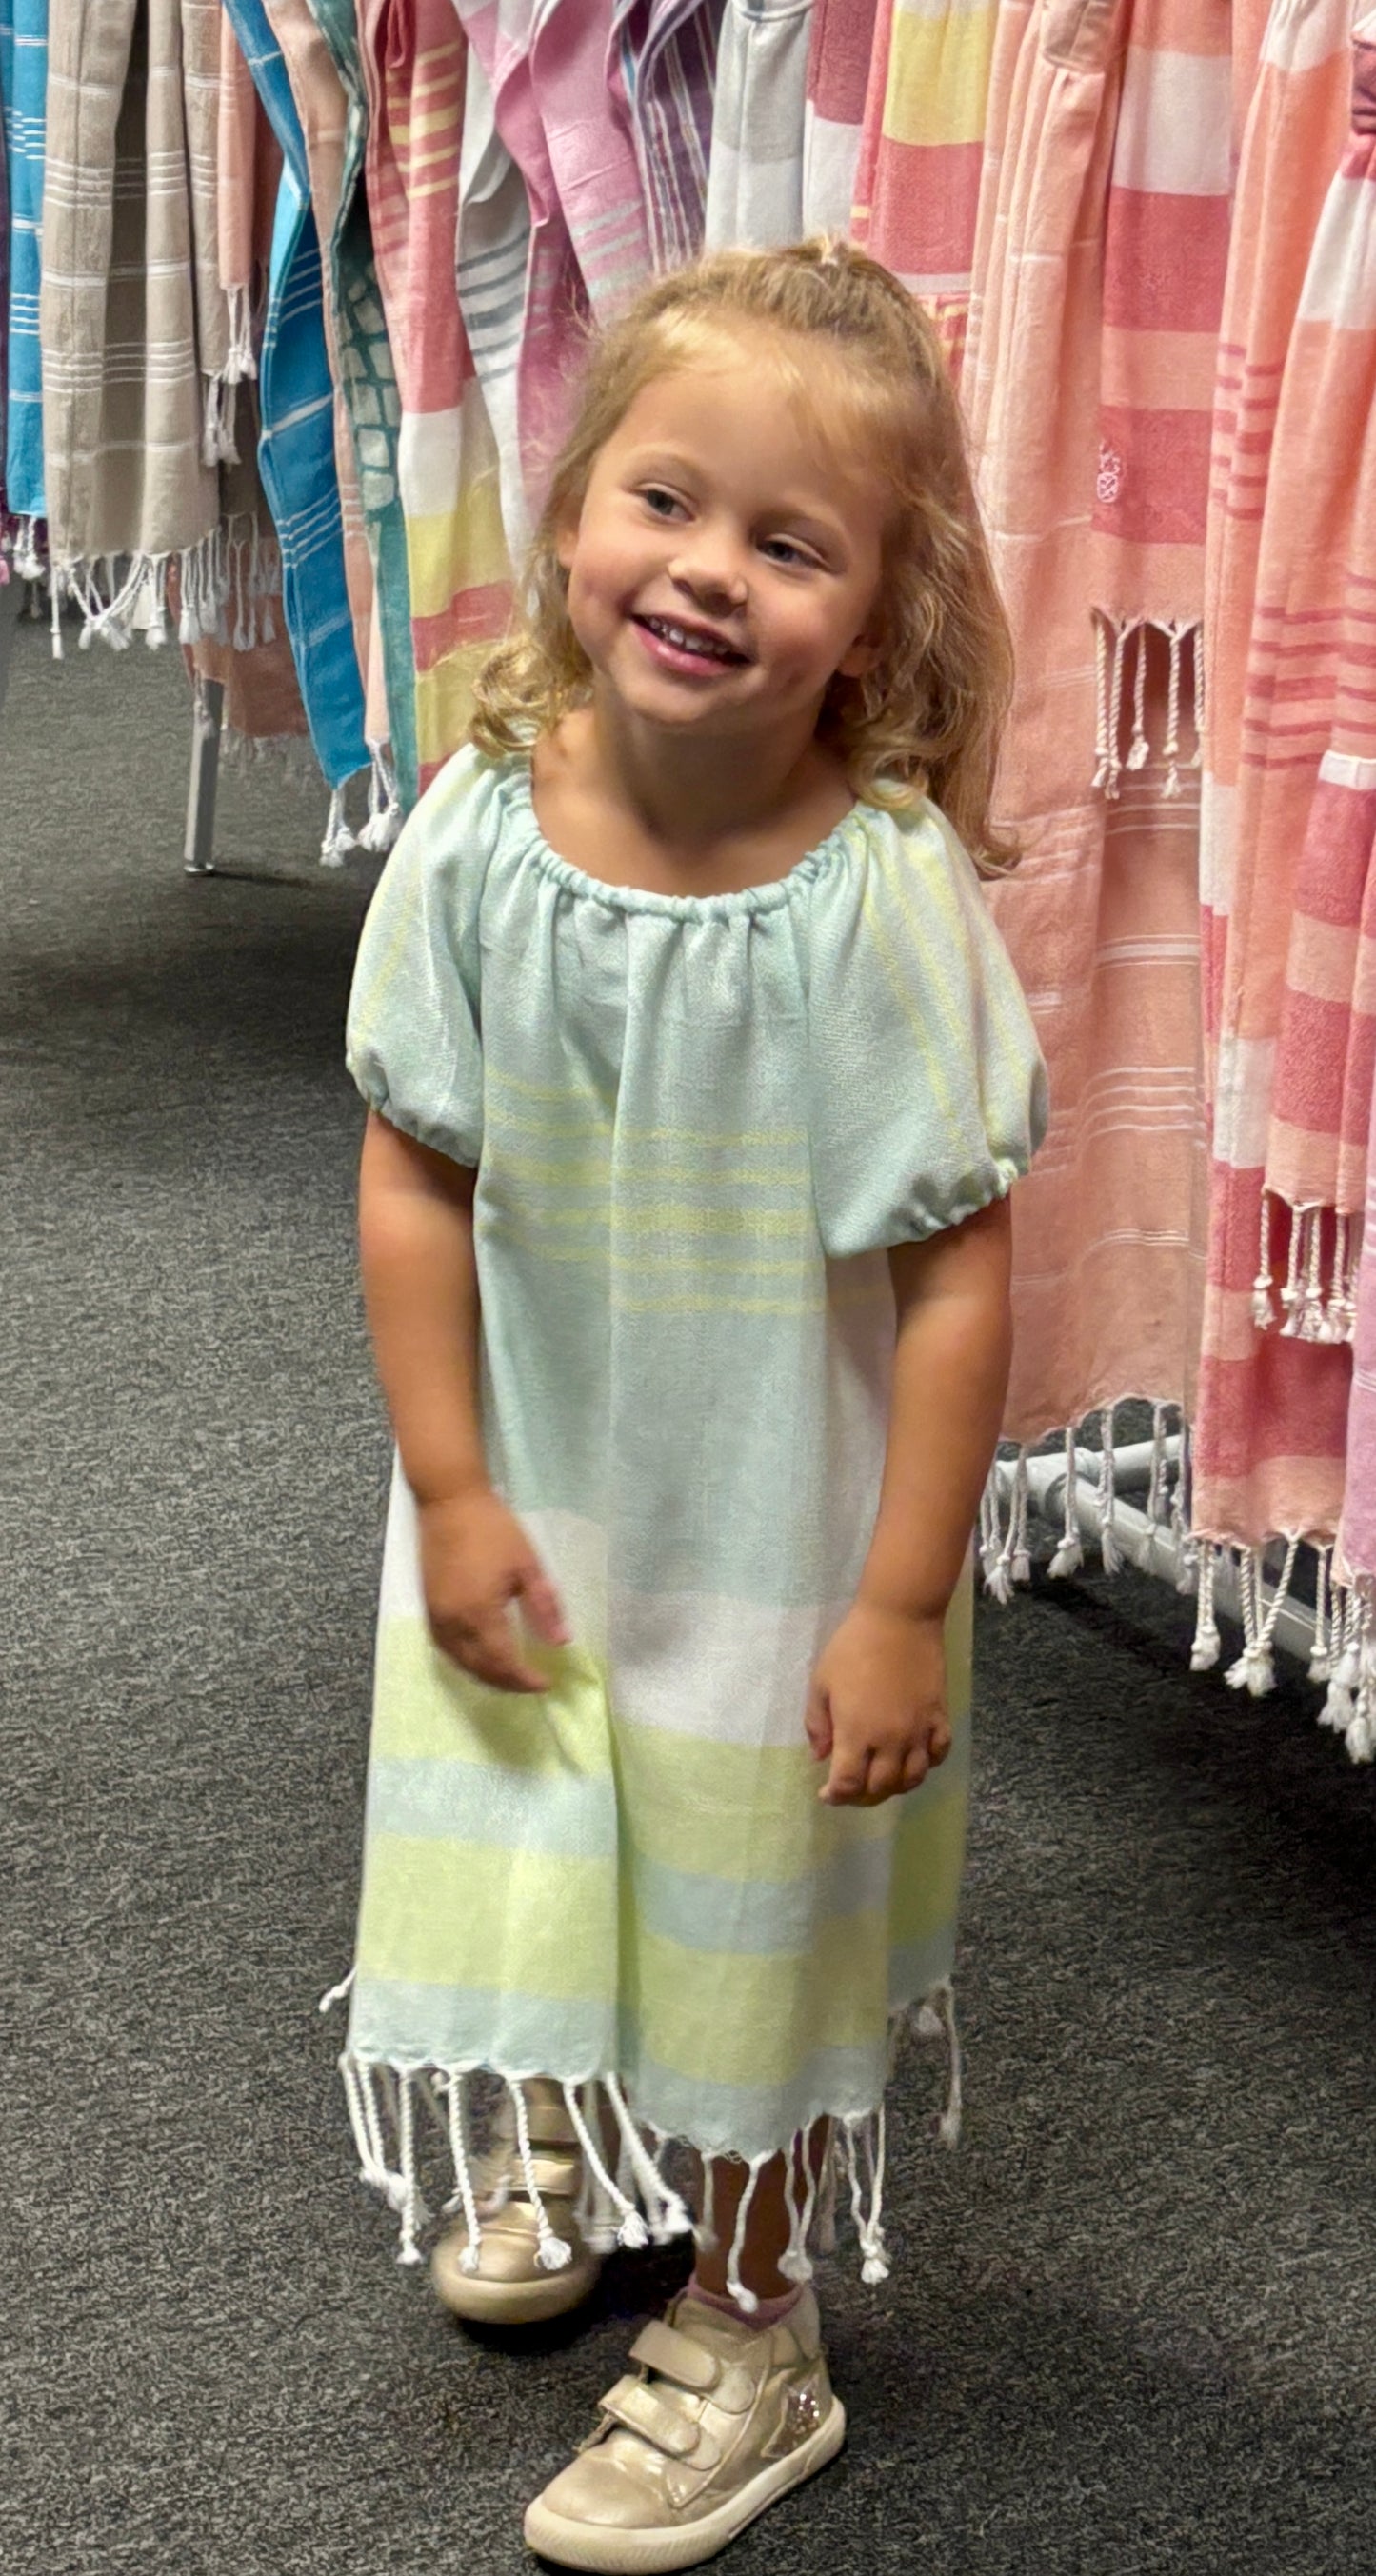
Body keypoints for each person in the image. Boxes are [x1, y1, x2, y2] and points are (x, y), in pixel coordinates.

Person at [339, 237, 1047, 2573]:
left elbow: (957, 1281)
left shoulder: (877, 898)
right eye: (671, 501)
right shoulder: (478, 822)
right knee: (540, 1825)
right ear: (571, 513)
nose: (709, 575)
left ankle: (754, 2314)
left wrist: (899, 1601)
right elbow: (417, 1172)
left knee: (756, 1906)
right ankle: (578, 2118)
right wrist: (447, 1486)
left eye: (789, 542)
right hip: (544, 1483)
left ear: (877, 610)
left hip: (784, 1531)